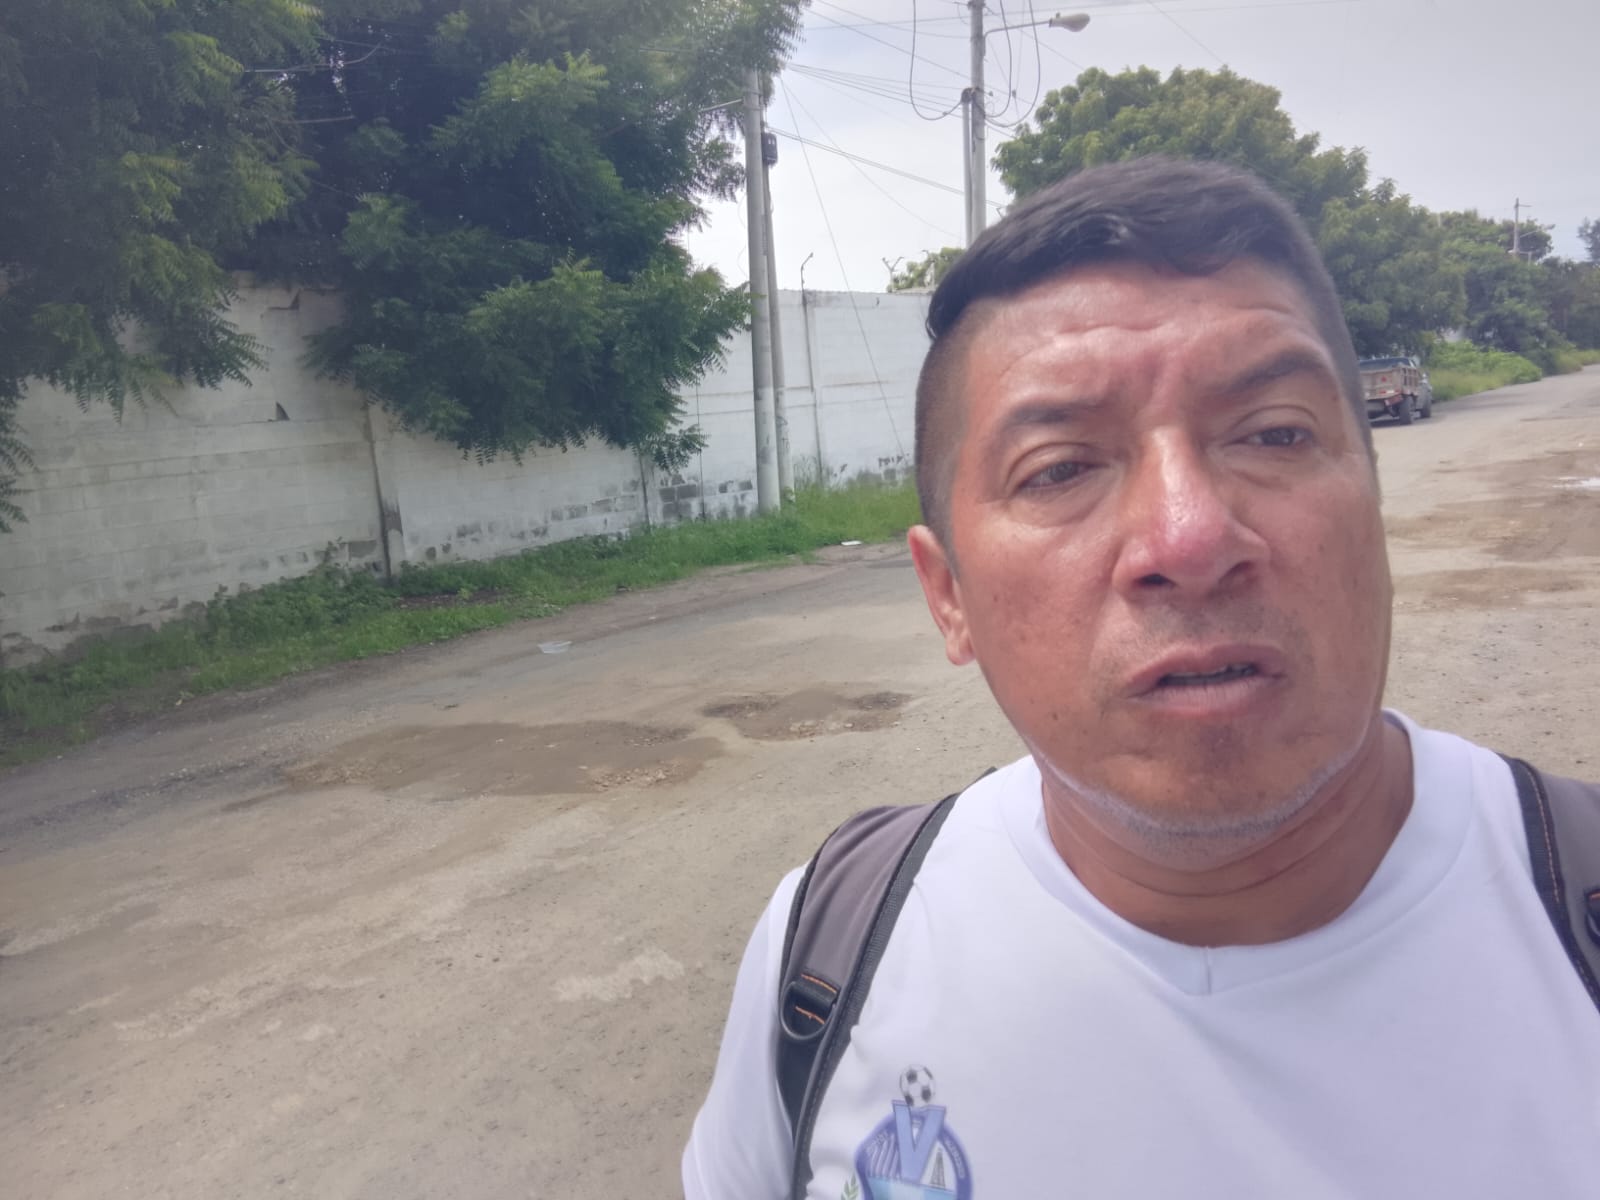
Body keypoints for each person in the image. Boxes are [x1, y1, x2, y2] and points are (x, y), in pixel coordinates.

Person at [682, 157, 1600, 1199]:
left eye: (1274, 433)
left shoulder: (1564, 908)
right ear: (949, 597)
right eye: (1060, 469)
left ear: (1372, 499)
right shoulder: (832, 951)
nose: (1190, 536)